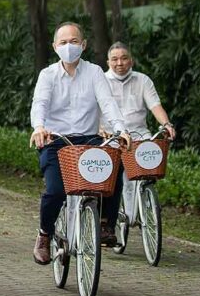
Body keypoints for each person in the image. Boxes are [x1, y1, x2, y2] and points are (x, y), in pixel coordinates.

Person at [29, 22, 129, 264]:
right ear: (55, 47)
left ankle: (105, 223)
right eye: (63, 42)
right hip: (55, 140)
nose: (69, 46)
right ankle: (44, 234)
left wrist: (121, 130)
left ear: (83, 45)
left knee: (115, 163)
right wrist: (39, 128)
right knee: (56, 191)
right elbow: (39, 104)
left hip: (89, 139)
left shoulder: (94, 72)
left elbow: (107, 104)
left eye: (74, 41)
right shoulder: (47, 75)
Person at [103, 42, 176, 223]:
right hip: (111, 137)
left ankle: (142, 204)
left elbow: (155, 106)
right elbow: (94, 110)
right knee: (111, 180)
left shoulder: (143, 80)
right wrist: (100, 129)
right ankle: (112, 218)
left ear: (131, 61)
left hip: (138, 135)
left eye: (124, 58)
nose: (119, 63)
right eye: (115, 59)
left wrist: (166, 124)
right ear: (108, 62)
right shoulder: (101, 81)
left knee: (144, 172)